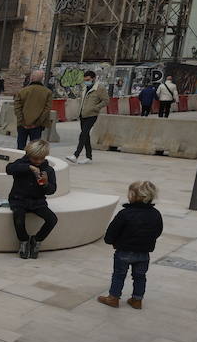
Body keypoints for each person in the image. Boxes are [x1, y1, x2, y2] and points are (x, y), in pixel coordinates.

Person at [97, 180, 163, 310]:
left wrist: (110, 241)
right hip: (144, 253)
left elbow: (112, 230)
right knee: (140, 276)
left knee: (118, 275)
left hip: (124, 251)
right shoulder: (155, 214)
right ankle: (137, 300)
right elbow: (158, 231)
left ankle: (113, 298)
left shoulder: (125, 214)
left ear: (133, 196)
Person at [6, 140, 57, 259]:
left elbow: (52, 190)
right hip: (18, 199)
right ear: (29, 156)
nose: (38, 162)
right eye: (35, 159)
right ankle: (23, 240)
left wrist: (45, 184)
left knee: (52, 219)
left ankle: (36, 240)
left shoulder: (48, 170)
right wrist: (29, 167)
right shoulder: (21, 164)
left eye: (41, 159)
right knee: (19, 218)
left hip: (37, 202)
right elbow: (9, 169)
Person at [69, 70, 107, 164]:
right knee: (86, 136)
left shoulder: (100, 88)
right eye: (85, 80)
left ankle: (76, 155)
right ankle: (88, 156)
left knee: (83, 134)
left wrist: (95, 108)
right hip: (83, 114)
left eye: (88, 79)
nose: (86, 81)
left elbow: (106, 100)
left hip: (92, 115)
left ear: (93, 79)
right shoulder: (84, 87)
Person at [13, 69, 51, 150]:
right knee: (35, 148)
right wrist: (37, 123)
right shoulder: (47, 92)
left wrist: (22, 121)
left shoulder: (22, 91)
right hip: (37, 126)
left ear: (31, 78)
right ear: (42, 79)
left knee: (20, 147)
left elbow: (17, 108)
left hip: (22, 125)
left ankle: (21, 161)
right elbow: (47, 110)